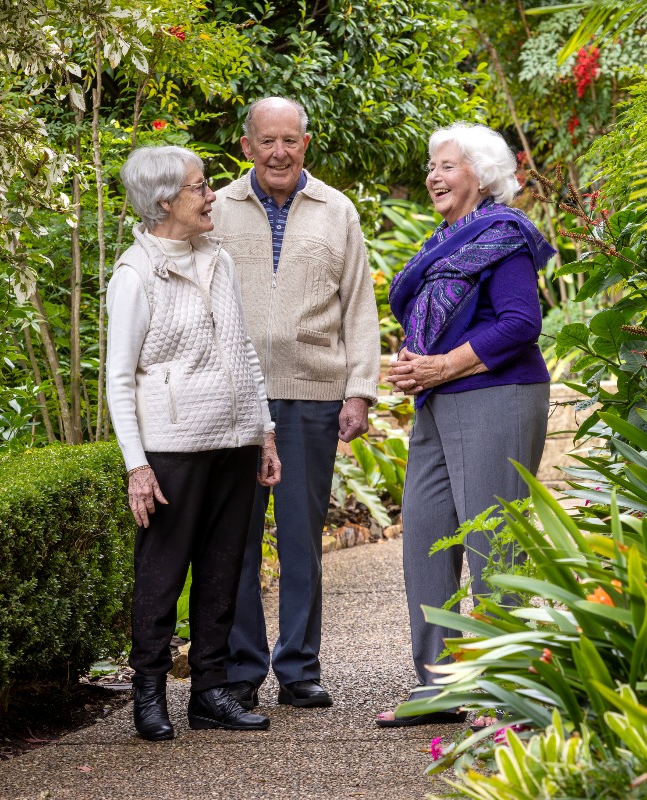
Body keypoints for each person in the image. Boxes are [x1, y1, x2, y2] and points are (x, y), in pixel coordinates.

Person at [375, 123, 554, 727]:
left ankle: (507, 691)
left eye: (447, 165)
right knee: (426, 538)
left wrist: (442, 365)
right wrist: (416, 363)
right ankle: (441, 686)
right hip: (438, 400)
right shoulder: (445, 241)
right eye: (432, 165)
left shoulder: (501, 235)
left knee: (492, 544)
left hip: (498, 396)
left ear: (482, 173)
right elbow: (442, 322)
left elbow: (521, 322)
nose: (434, 175)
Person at [106, 145, 282, 741]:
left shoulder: (218, 258)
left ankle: (210, 692)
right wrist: (137, 466)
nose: (211, 197)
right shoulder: (135, 274)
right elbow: (119, 379)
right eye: (200, 187)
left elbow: (242, 350)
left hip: (234, 441)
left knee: (222, 570)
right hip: (173, 448)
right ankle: (148, 695)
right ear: (164, 201)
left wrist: (264, 432)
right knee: (161, 576)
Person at [212, 97, 380, 711]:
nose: (279, 152)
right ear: (247, 145)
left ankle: (299, 668)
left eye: (290, 140)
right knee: (236, 537)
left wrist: (359, 390)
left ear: (305, 144)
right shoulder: (218, 209)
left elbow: (359, 306)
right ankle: (241, 668)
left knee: (302, 539)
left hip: (312, 394)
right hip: (236, 398)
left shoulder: (337, 211)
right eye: (267, 141)